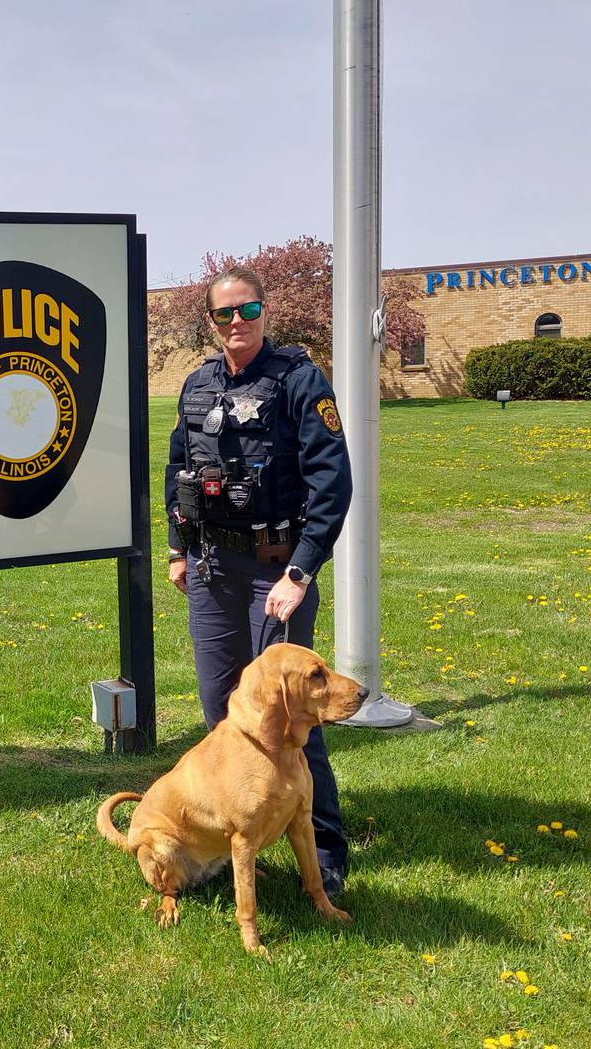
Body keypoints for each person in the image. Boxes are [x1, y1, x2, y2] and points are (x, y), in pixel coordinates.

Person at [164, 266, 354, 897]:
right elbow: (179, 471)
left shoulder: (300, 380)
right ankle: (247, 831)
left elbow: (332, 481)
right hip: (214, 570)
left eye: (248, 310)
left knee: (295, 713)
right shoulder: (196, 386)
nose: (237, 322)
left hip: (276, 571)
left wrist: (300, 571)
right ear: (211, 321)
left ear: (265, 311)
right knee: (226, 713)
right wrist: (179, 550)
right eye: (224, 314)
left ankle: (323, 850)